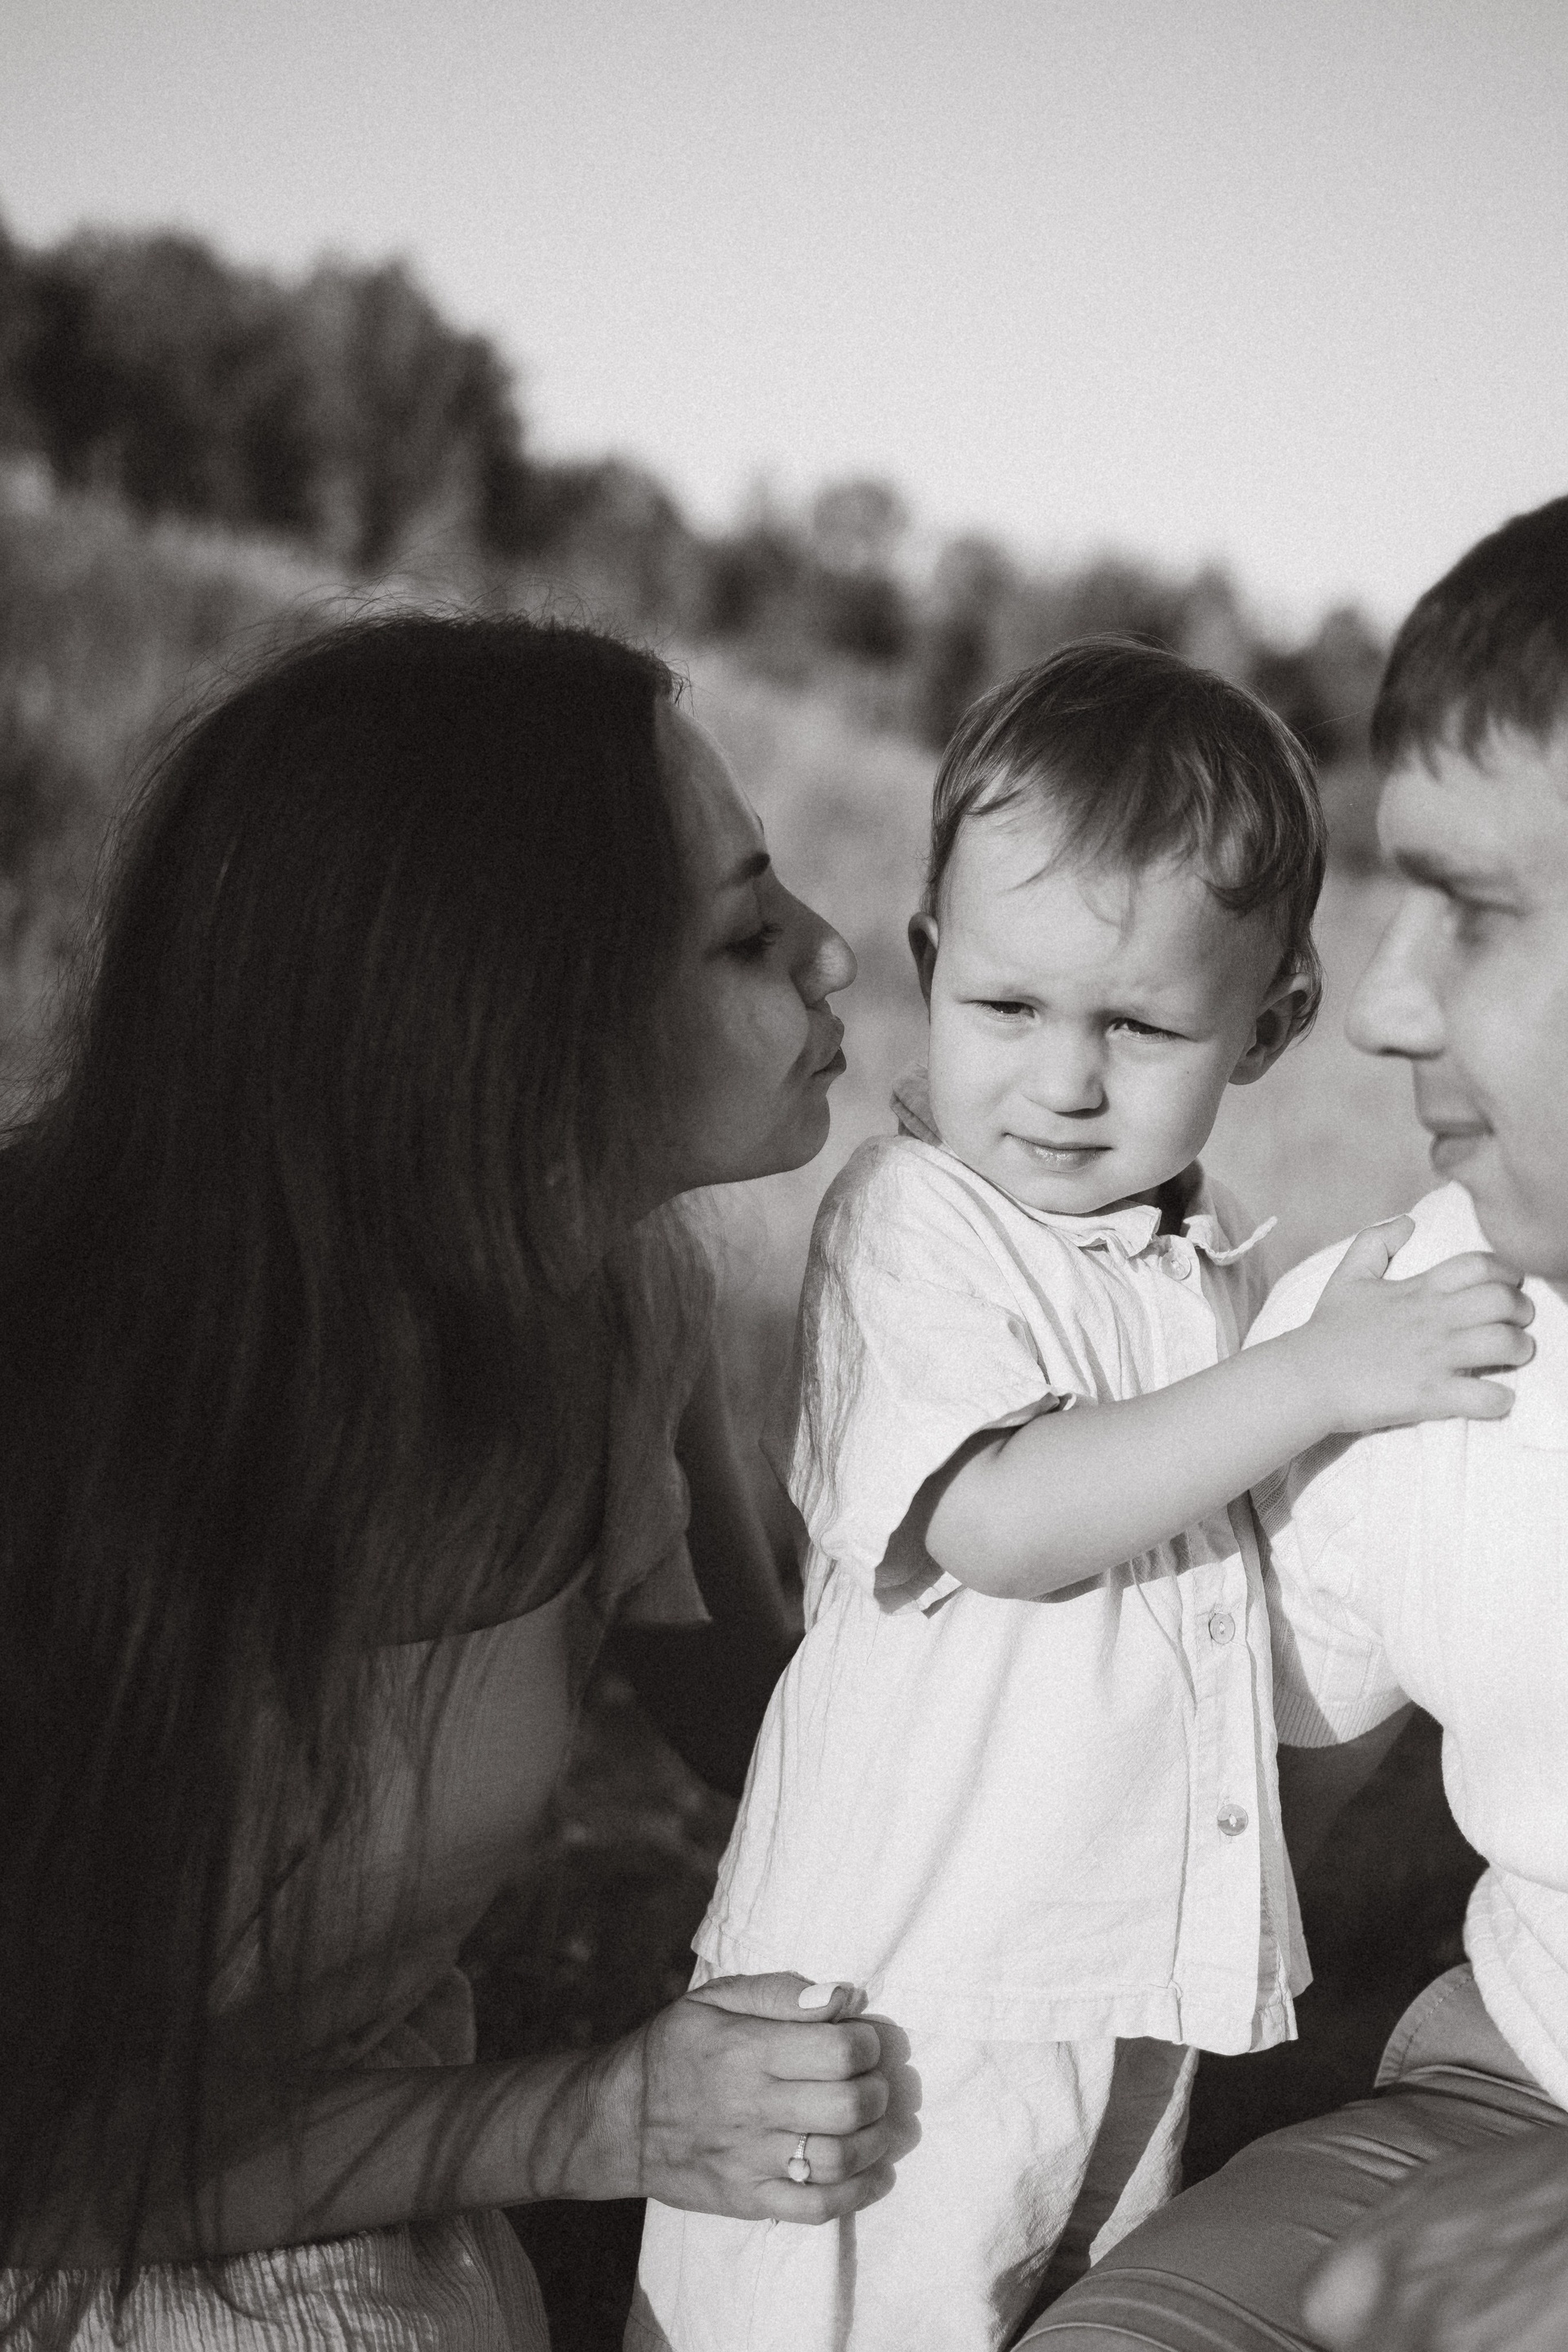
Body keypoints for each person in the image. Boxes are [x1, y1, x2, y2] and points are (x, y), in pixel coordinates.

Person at [627, 641, 1533, 2352]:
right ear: (930, 965)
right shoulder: (915, 1222)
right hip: (900, 1997)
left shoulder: (1210, 1258)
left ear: (1269, 1027)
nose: (1062, 1080)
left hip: (1120, 1974)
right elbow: (1002, 1523)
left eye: (1137, 1026)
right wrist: (1315, 1380)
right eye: (1007, 1009)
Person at [0, 612, 892, 2348]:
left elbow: (787, 1737)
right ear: (509, 1023)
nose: (834, 952)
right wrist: (600, 2120)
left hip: (351, 2164)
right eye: (744, 932)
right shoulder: (60, 1422)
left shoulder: (620, 1322)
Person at [1025, 496, 1568, 2352]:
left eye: (1478, 910)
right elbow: (1234, 1808)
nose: (1386, 1004)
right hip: (1497, 2096)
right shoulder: (1398, 1329)